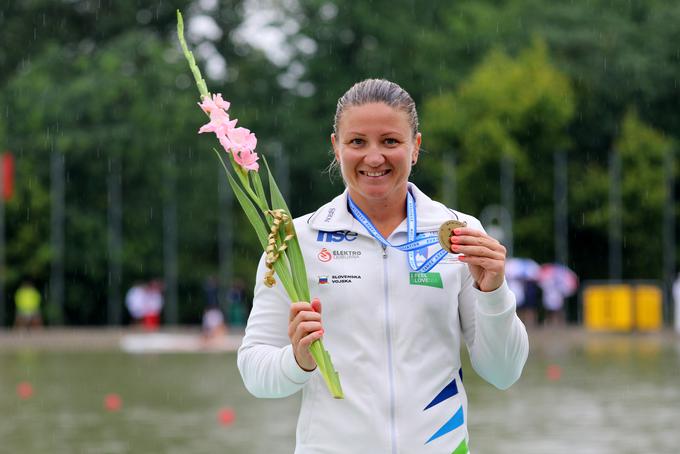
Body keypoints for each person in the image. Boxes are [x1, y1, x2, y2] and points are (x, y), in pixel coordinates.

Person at [237, 79, 529, 453]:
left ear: (416, 148)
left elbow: (504, 373)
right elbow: (255, 375)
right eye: (357, 142)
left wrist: (494, 293)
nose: (374, 157)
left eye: (390, 141)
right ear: (336, 148)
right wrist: (297, 360)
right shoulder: (296, 241)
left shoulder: (462, 235)